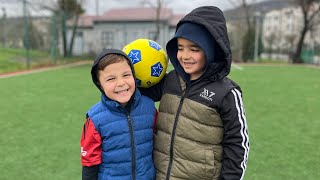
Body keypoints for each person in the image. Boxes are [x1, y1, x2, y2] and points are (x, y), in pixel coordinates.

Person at [139, 6, 250, 180]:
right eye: (180, 48)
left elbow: (238, 144)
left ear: (211, 50)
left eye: (194, 49)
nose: (184, 55)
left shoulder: (227, 93)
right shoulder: (170, 80)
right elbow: (138, 94)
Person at [80, 49, 157, 180]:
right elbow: (90, 163)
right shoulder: (95, 119)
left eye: (126, 75)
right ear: (99, 84)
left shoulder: (150, 108)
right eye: (111, 78)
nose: (121, 83)